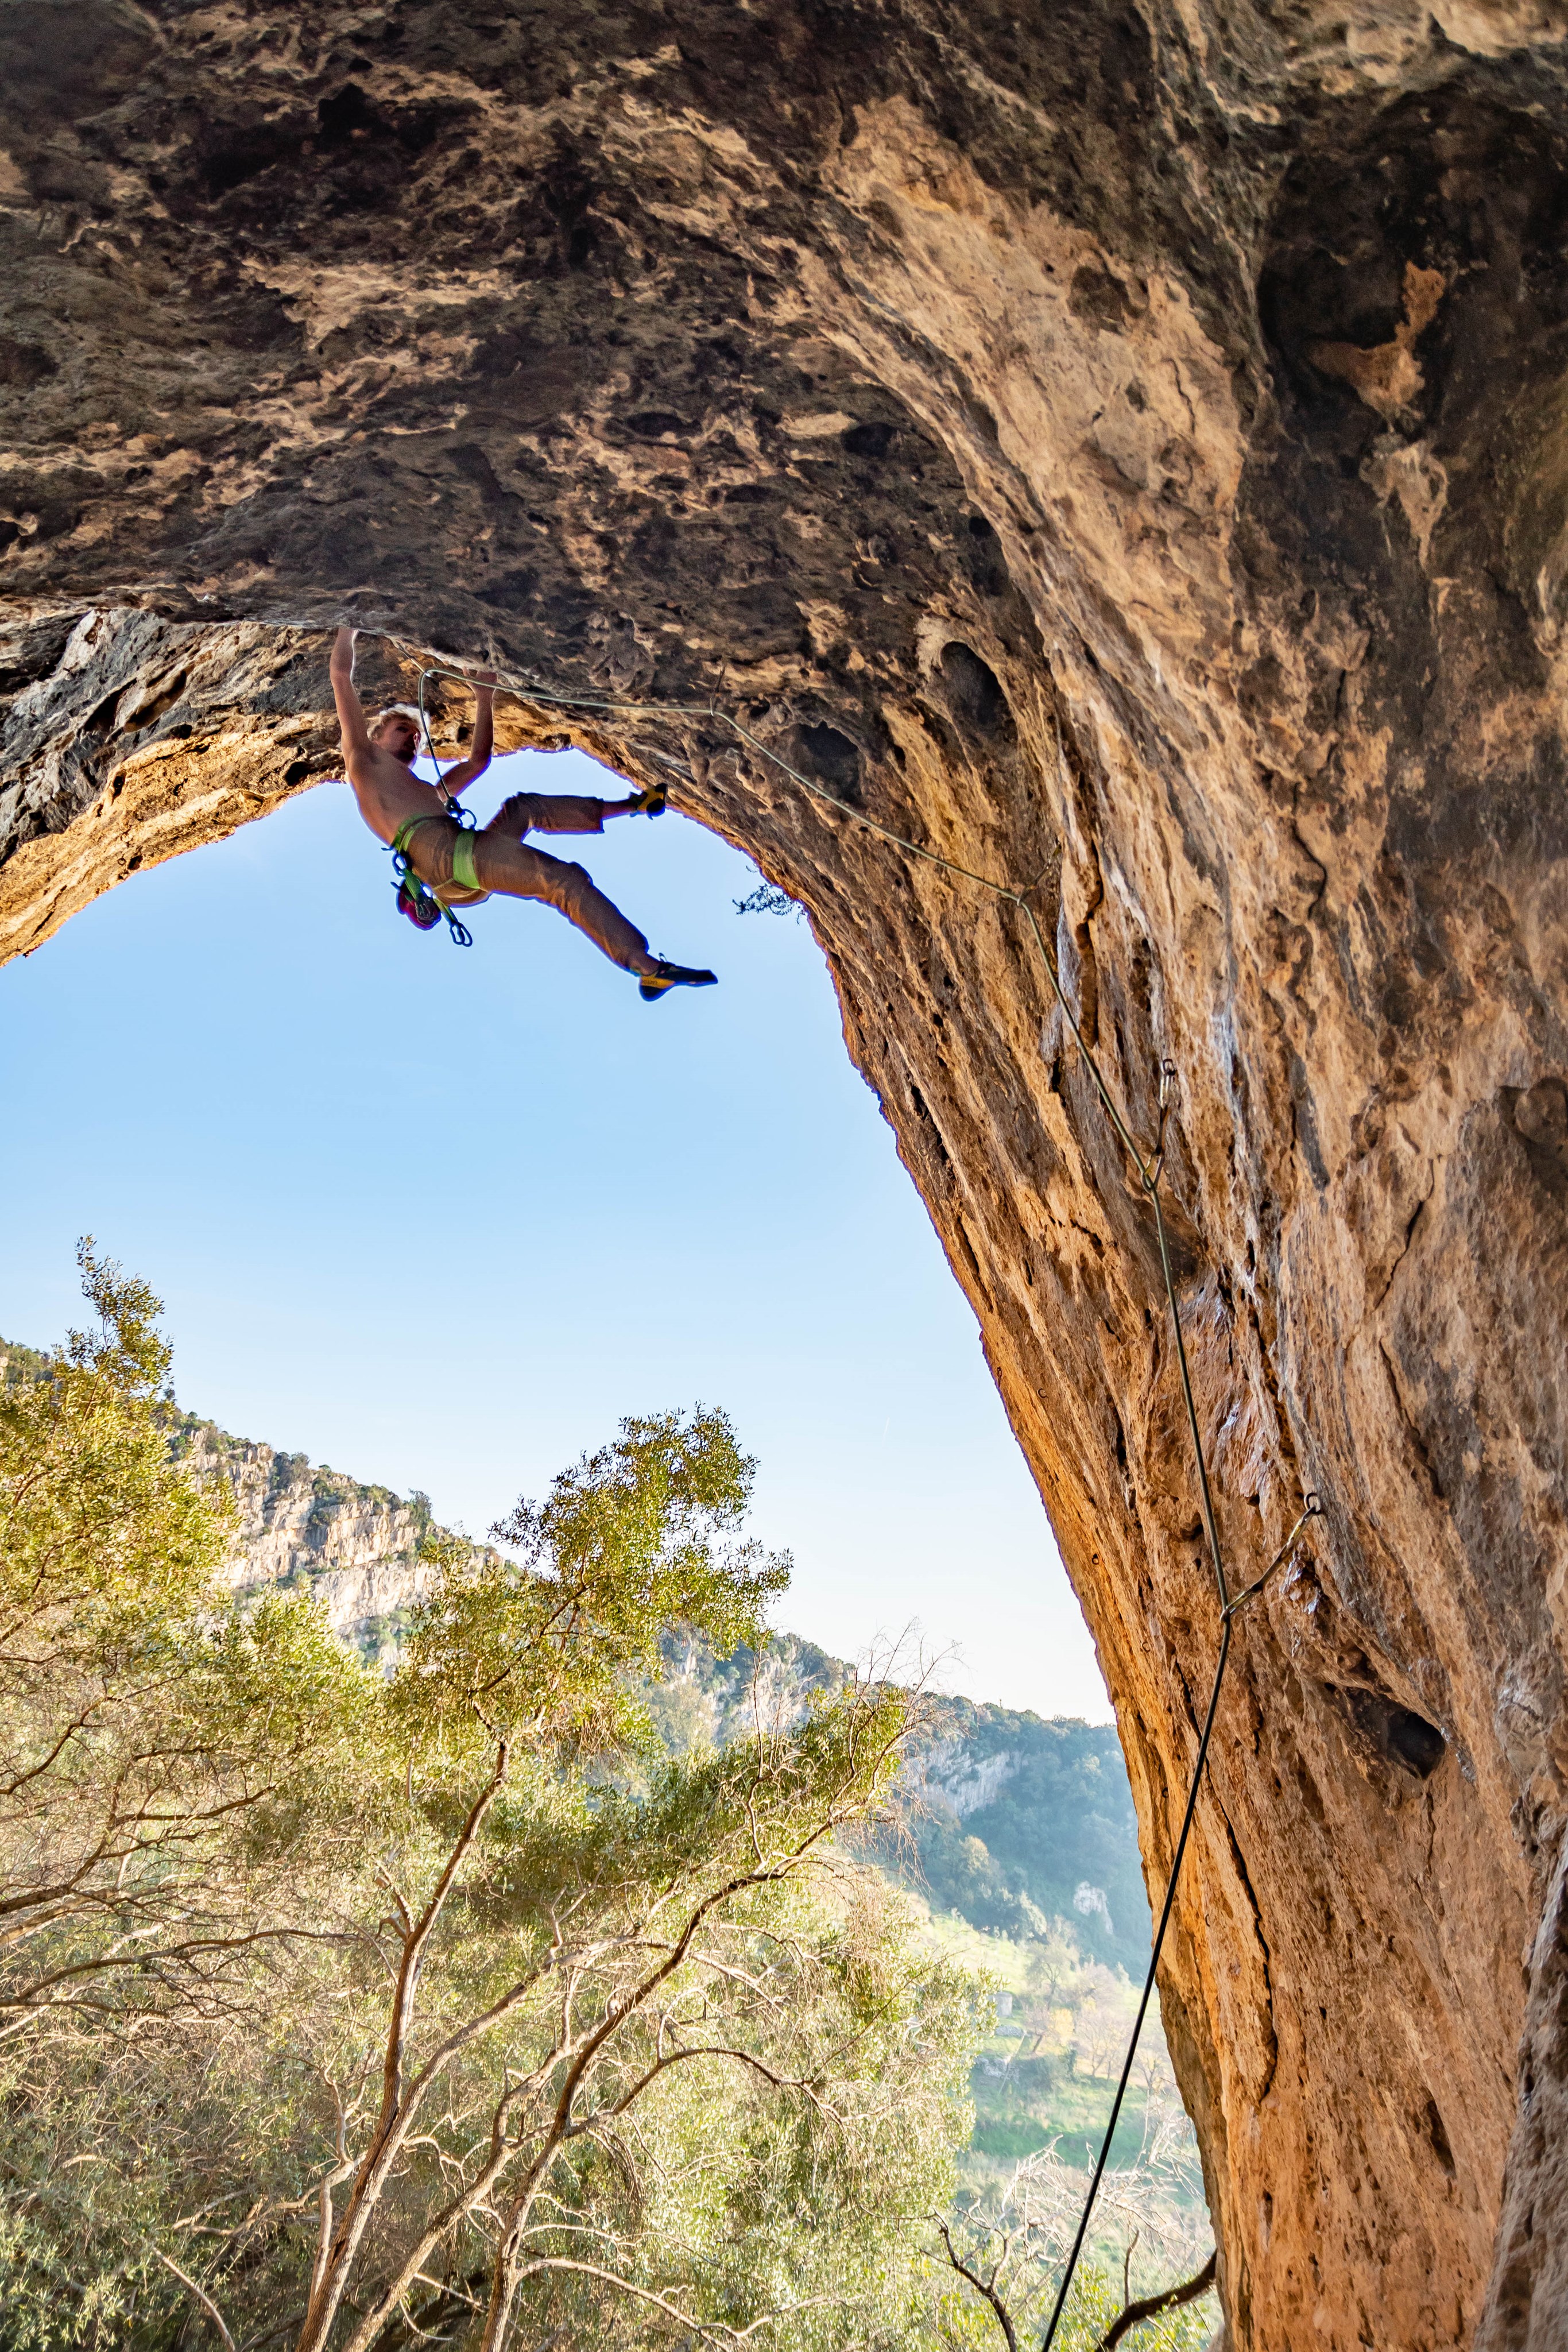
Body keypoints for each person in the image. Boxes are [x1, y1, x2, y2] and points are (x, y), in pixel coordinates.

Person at [328, 628, 717, 1001]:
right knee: (561, 880)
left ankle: (634, 805)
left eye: (416, 737)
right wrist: (348, 629)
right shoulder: (362, 761)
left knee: (524, 808)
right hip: (446, 856)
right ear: (375, 735)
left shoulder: (429, 793)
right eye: (402, 730)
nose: (413, 739)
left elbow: (479, 762)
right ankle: (644, 966)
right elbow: (340, 675)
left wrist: (484, 698)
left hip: (460, 858)